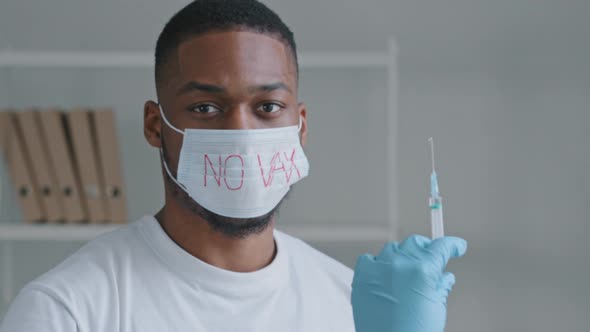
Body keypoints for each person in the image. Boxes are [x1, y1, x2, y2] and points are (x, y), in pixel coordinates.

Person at [0, 1, 466, 331]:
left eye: (267, 107)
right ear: (154, 125)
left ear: (300, 126)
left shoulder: (353, 303)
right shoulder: (69, 312)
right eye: (205, 107)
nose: (241, 136)